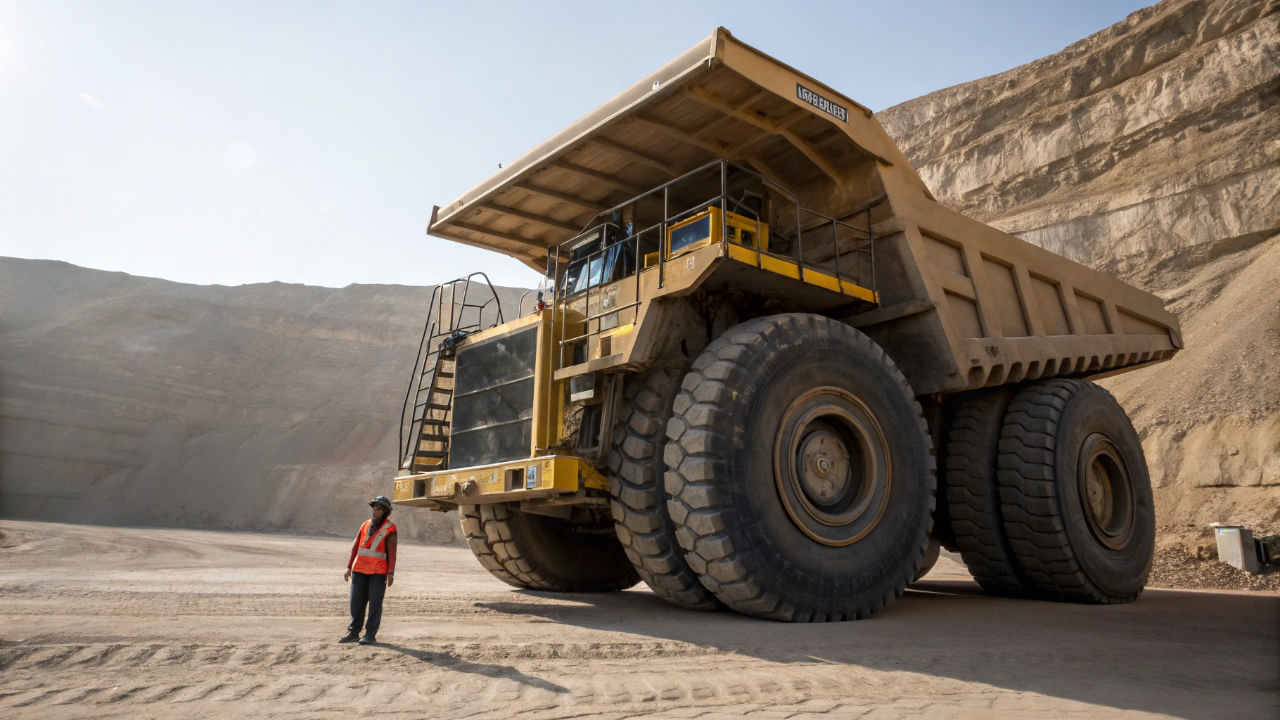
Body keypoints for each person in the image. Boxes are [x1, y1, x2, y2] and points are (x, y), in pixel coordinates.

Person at [340, 496, 397, 645]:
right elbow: (356, 547)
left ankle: (370, 634)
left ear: (385, 512)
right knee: (356, 603)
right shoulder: (365, 525)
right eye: (375, 508)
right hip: (359, 570)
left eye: (379, 509)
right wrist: (349, 567)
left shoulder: (390, 528)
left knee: (375, 605)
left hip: (378, 573)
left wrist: (390, 572)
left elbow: (392, 552)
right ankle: (353, 632)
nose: (376, 511)